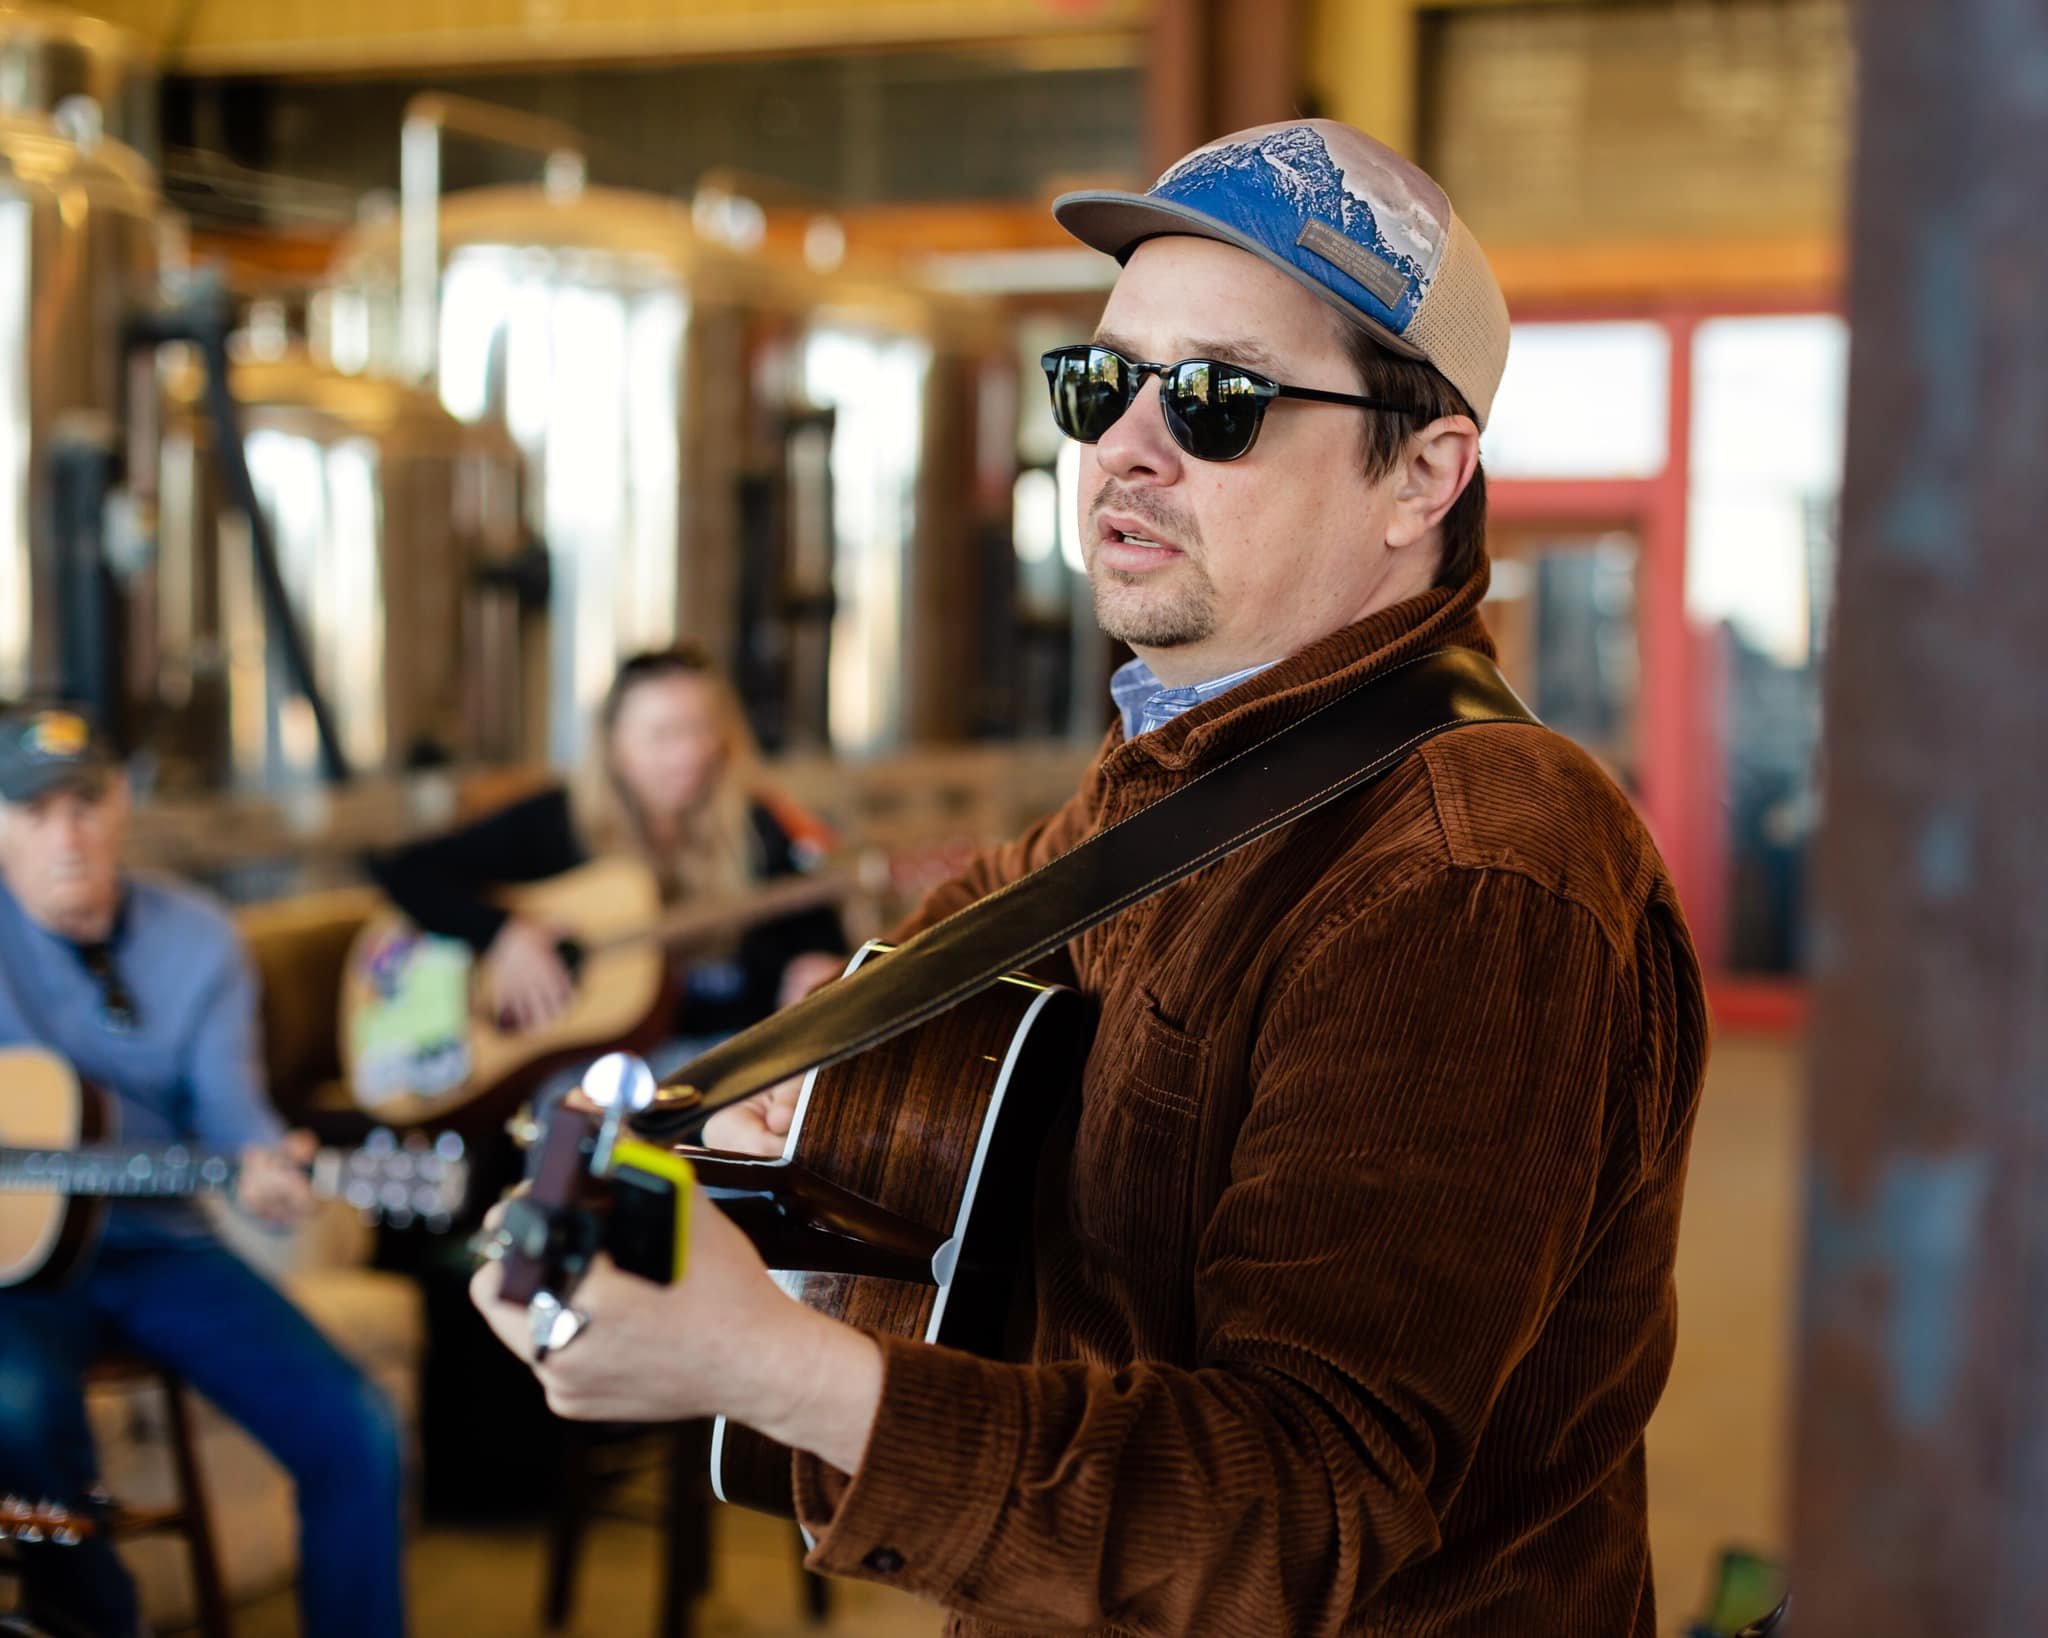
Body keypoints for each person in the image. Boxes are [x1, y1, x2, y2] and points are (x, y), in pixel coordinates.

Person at [473, 119, 1709, 1636]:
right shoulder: (1175, 777)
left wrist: (773, 1367)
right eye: (1101, 381)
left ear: (1423, 475)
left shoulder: (1471, 868)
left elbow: (1302, 1509)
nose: (1124, 442)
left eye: (1216, 398)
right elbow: (923, 983)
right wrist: (758, 1097)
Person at [0, 706, 405, 1638]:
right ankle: (97, 1622)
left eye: (86, 803)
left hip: (162, 1250)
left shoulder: (200, 940)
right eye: (36, 811)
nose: (68, 834)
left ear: (122, 805)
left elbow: (234, 1108)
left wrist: (268, 1171)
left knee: (360, 1434)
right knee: (17, 1405)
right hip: (15, 1276)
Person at [370, 644, 846, 1053]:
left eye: (700, 730)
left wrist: (816, 969)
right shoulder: (558, 821)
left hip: (723, 1051)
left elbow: (813, 929)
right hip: (584, 1067)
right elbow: (409, 870)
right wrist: (503, 934)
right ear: (614, 744)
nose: (688, 755)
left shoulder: (757, 826)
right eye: (663, 736)